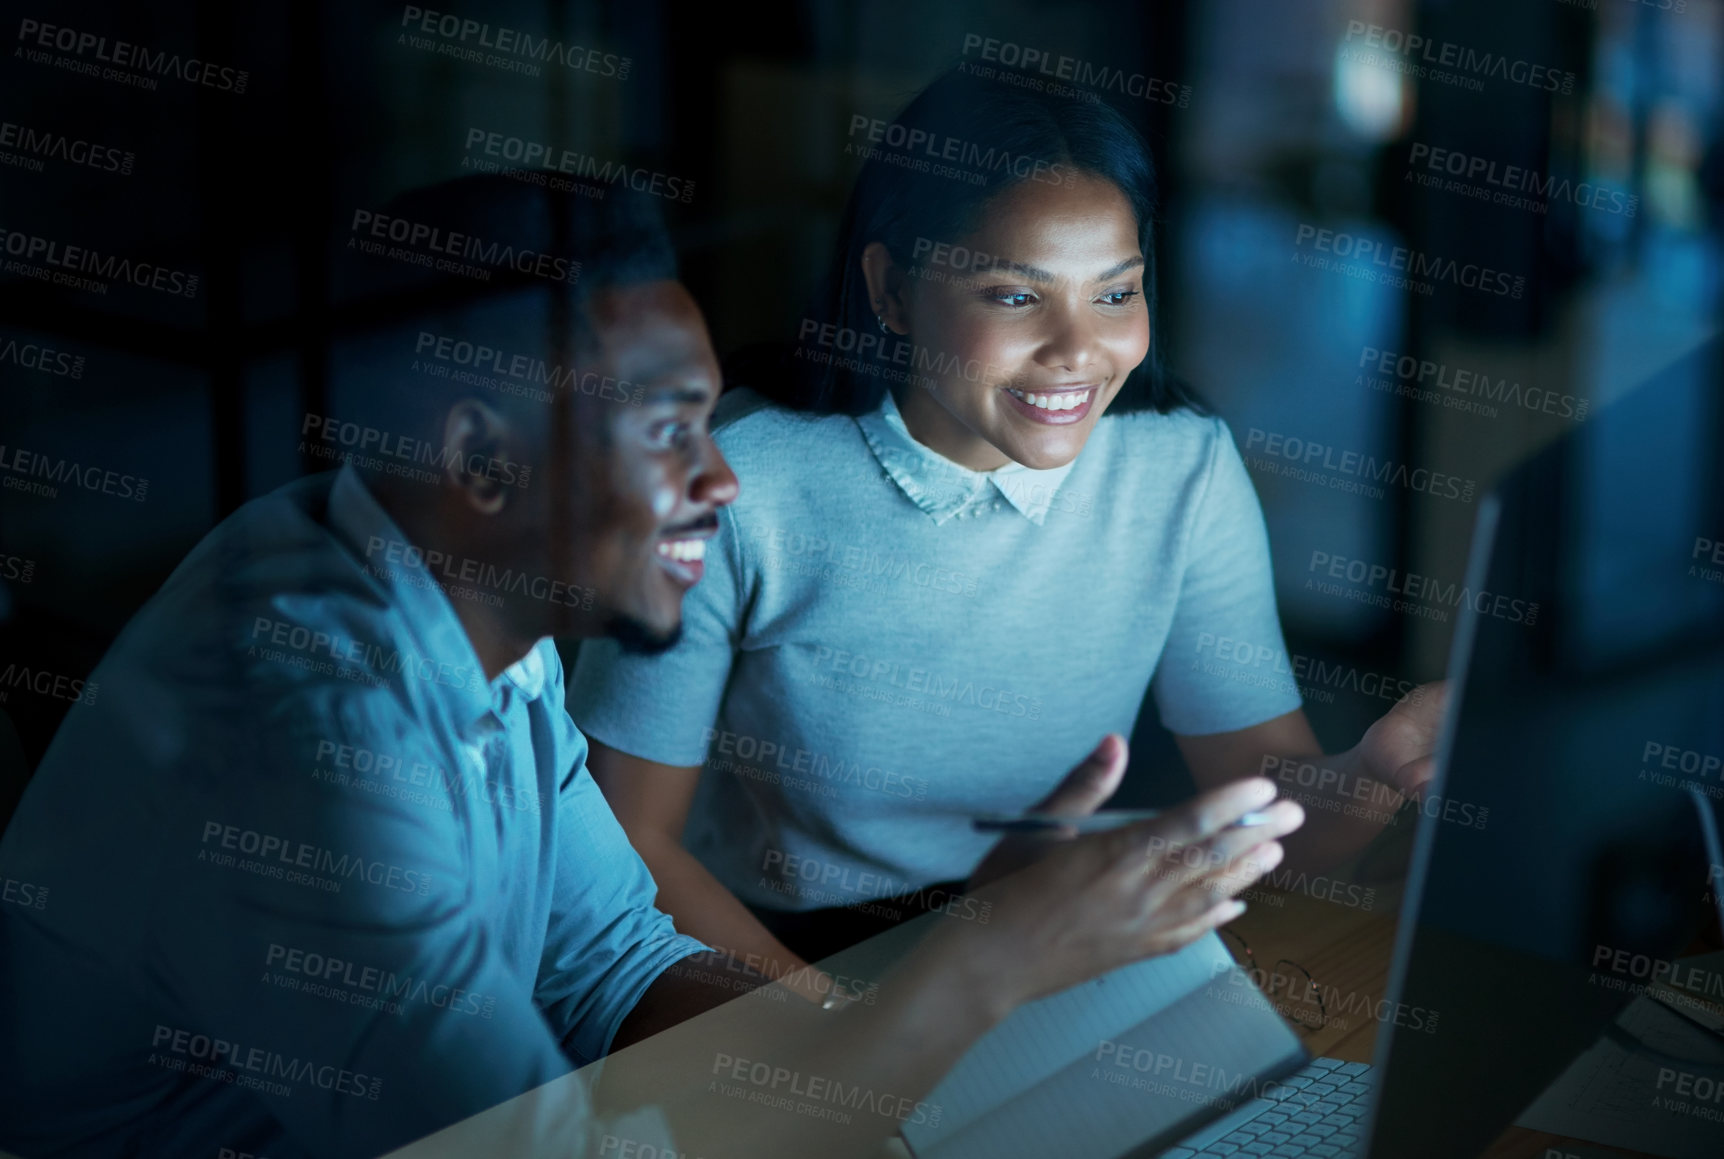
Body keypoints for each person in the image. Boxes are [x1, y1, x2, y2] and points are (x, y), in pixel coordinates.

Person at [0, 173, 1301, 1159]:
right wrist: (991, 963)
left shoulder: (465, 606)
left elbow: (609, 956)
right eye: (673, 425)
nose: (720, 478)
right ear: (485, 462)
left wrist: (875, 1074)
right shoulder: (304, 735)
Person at [570, 67, 1444, 992]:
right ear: (892, 291)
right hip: (786, 962)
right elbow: (626, 838)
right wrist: (838, 1036)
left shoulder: (1179, 465)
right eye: (1016, 296)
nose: (1077, 350)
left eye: (1114, 294)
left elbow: (1266, 809)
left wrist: (1376, 771)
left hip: (1054, 939)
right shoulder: (741, 481)